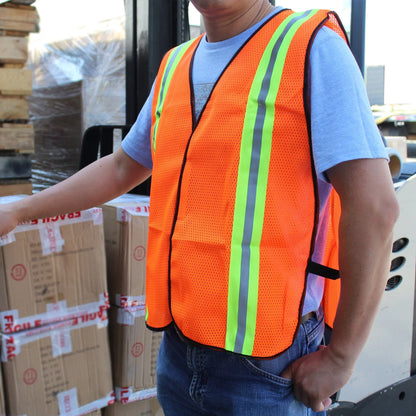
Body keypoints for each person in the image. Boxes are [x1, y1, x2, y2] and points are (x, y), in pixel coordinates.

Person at [0, 1, 399, 415]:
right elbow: (120, 167)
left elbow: (375, 209)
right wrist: (20, 211)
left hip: (268, 366)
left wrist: (340, 359)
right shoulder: (176, 65)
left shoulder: (310, 48)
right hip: (179, 350)